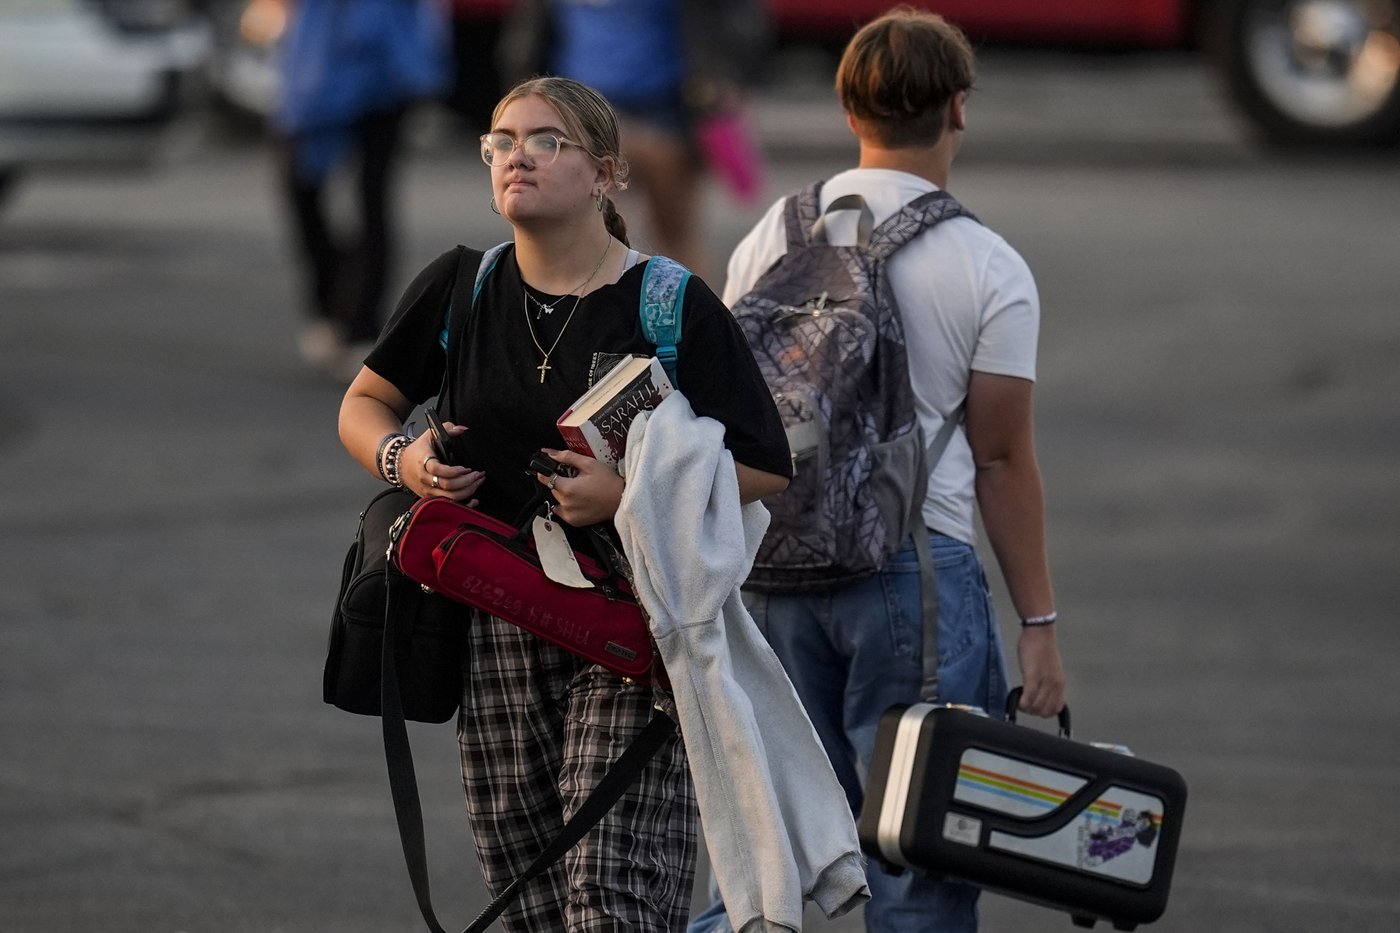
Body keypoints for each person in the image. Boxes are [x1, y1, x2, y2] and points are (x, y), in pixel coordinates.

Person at [337, 75, 791, 932]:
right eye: (501, 141)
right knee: (527, 887)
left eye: (545, 141)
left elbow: (766, 466)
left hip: (633, 621)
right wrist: (407, 458)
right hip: (495, 617)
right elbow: (363, 406)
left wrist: (629, 493)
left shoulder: (668, 302)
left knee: (614, 889)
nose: (516, 158)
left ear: (606, 173)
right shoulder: (462, 287)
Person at [689, 9, 1068, 933]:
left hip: (775, 571)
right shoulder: (988, 265)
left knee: (766, 849)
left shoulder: (766, 239)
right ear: (959, 110)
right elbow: (1002, 459)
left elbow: (735, 411)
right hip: (912, 577)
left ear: (849, 103)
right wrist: (1040, 624)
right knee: (916, 857)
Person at [498, 0, 770, 279]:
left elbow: (735, 22)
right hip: (578, 114)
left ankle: (689, 317)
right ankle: (590, 317)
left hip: (664, 112)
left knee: (673, 231)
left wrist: (718, 84)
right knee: (582, 234)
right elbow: (530, 32)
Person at [264, 0, 449, 380]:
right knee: (302, 191)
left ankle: (361, 325)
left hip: (383, 76)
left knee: (371, 202)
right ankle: (330, 306)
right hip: (314, 73)